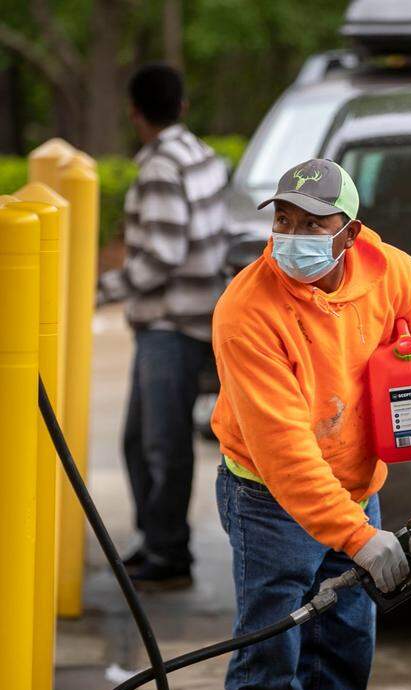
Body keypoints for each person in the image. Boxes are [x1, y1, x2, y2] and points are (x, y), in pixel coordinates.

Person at [210, 158, 411, 690]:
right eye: (284, 220)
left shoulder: (389, 270)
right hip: (269, 500)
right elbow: (285, 452)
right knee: (271, 666)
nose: (293, 238)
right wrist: (358, 537)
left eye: (314, 225)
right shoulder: (247, 311)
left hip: (355, 485)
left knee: (341, 655)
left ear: (349, 233)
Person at [101, 63, 229, 590]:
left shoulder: (158, 167)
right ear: (181, 107)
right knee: (147, 442)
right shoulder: (202, 155)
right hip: (199, 316)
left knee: (159, 445)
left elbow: (163, 255)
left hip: (171, 325)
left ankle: (169, 554)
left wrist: (102, 289)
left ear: (135, 113)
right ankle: (158, 542)